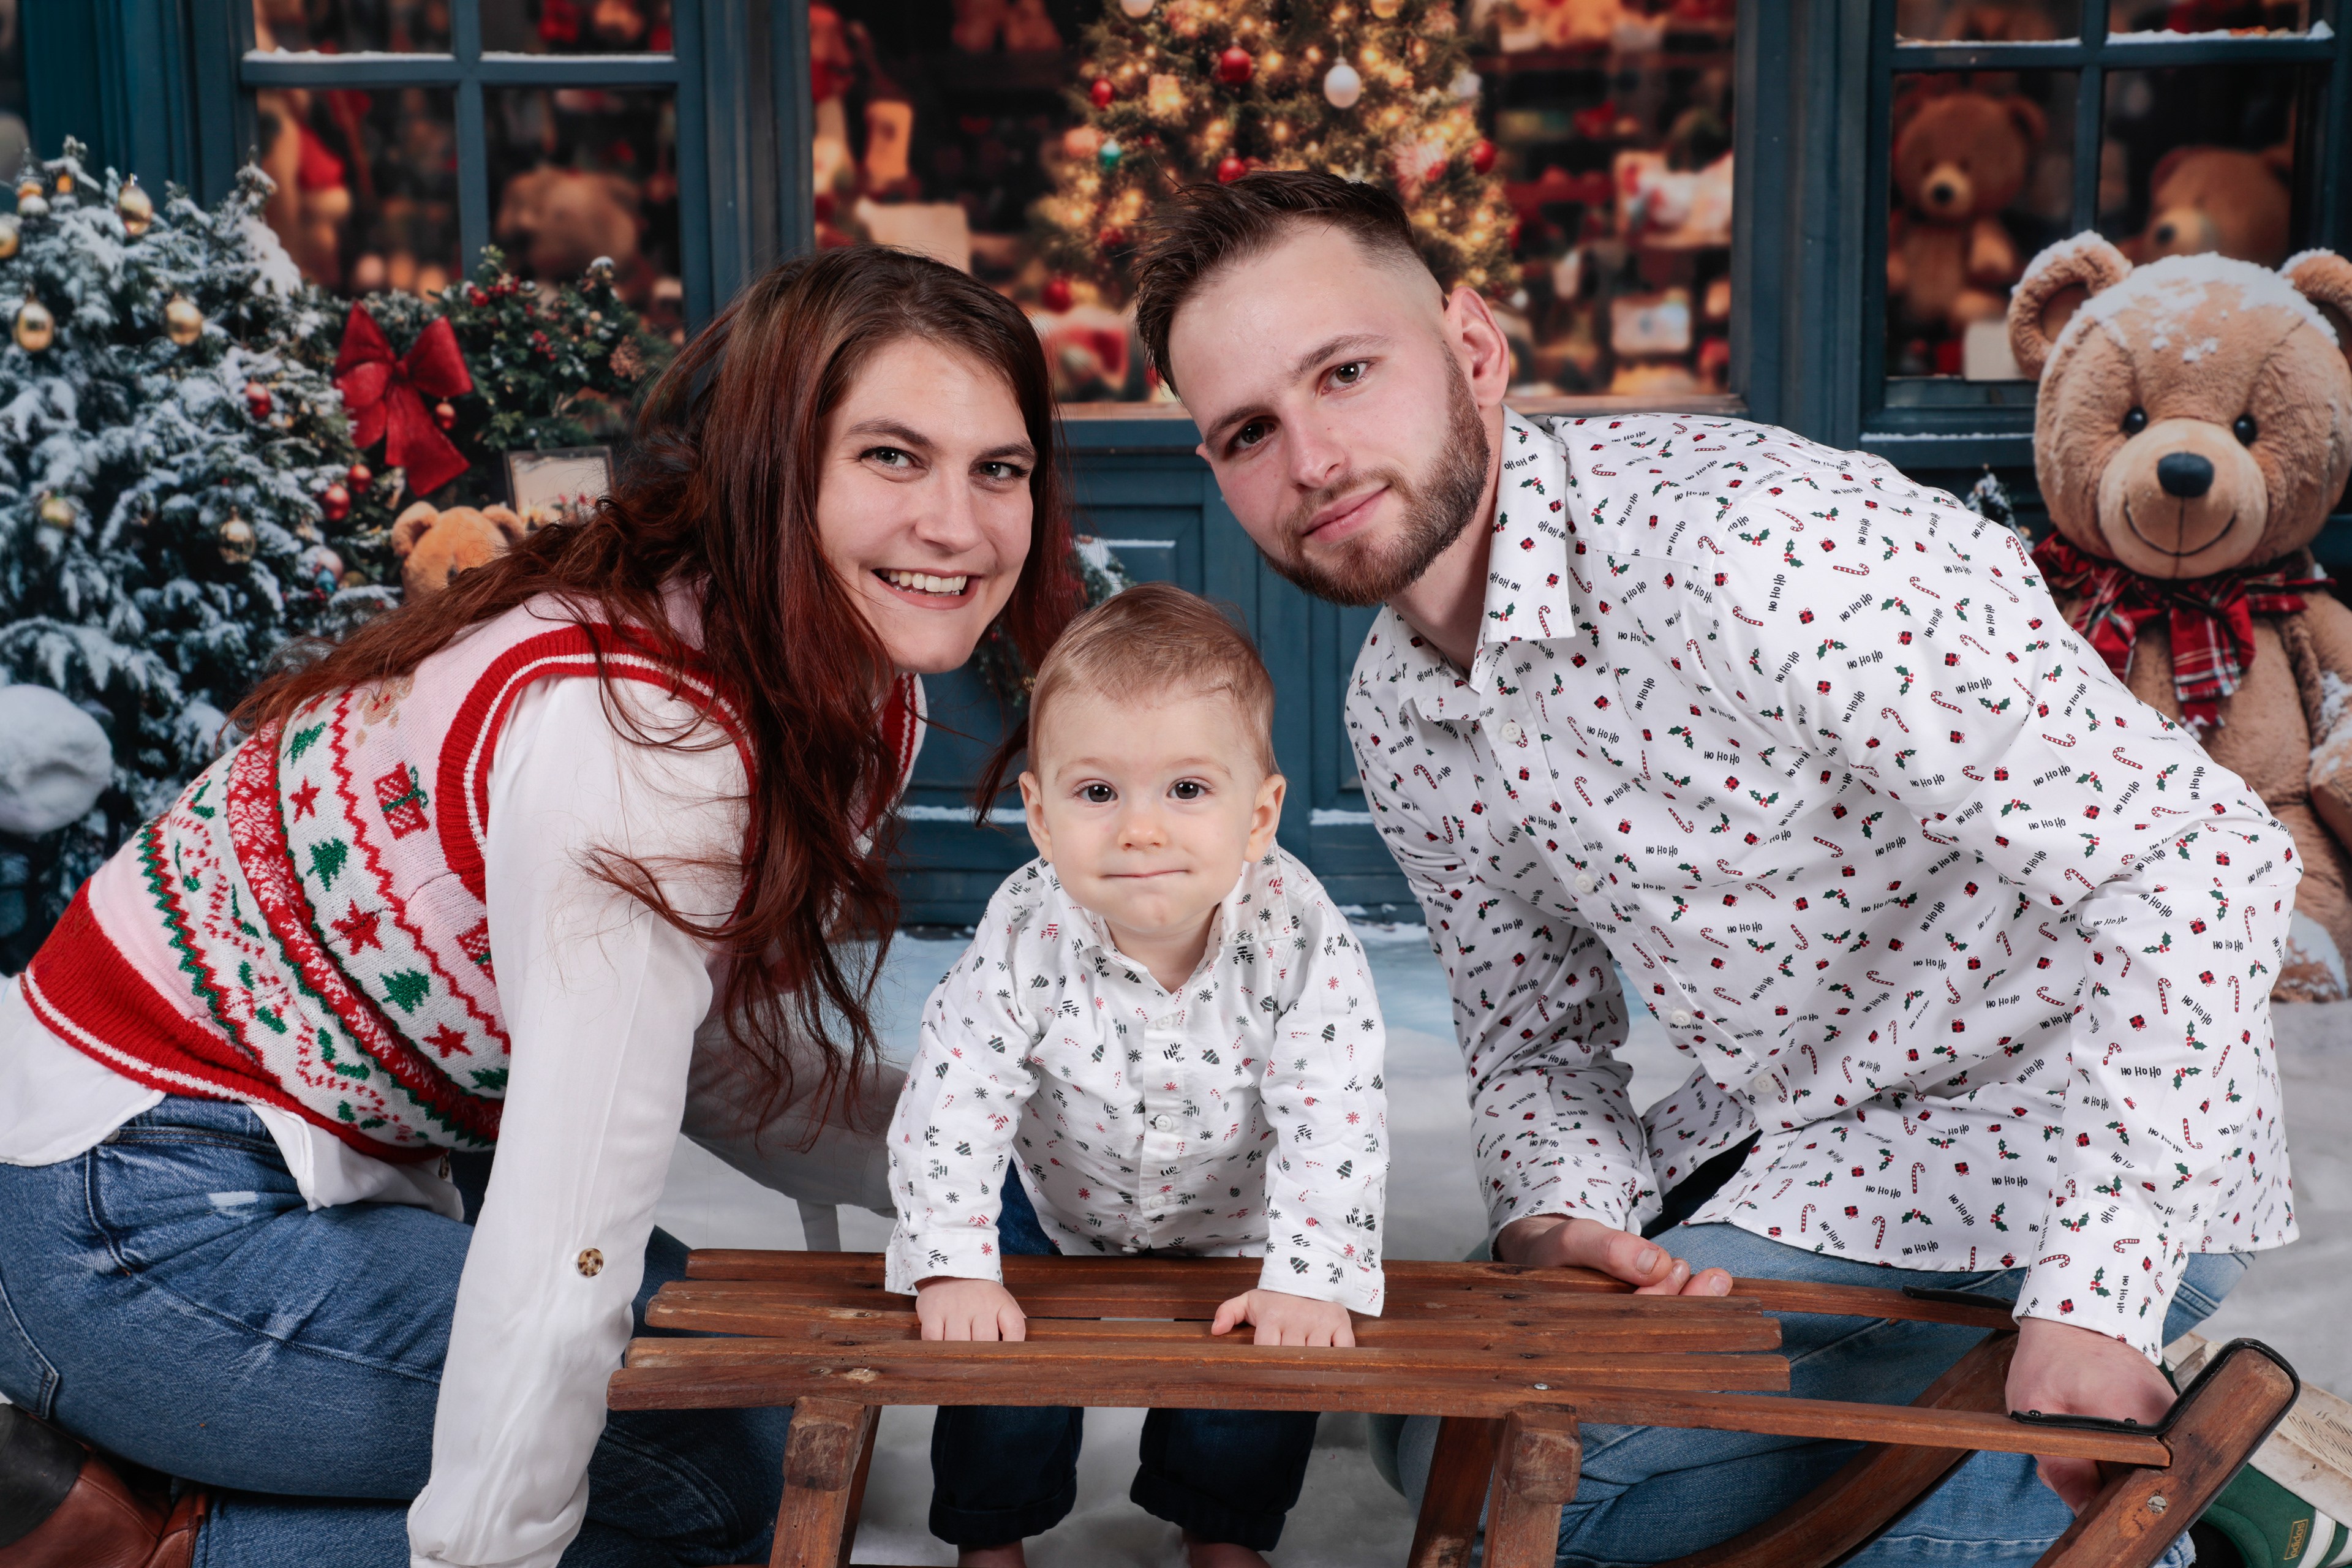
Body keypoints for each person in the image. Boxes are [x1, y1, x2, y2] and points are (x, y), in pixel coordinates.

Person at [1127, 170, 2300, 1566]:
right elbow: (1534, 1033)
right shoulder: (1398, 703)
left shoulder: (1760, 550)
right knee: (1435, 1426)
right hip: (1805, 1133)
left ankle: (2177, 1507)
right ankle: (2107, 1474)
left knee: (1537, 1495)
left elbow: (2202, 855)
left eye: (1347, 371)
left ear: (1476, 346)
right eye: (1251, 429)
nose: (1311, 458)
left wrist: (2095, 1295)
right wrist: (1565, 1221)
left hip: (2058, 1133)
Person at [0, 244, 1081, 1568]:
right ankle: (150, 1537)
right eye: (892, 457)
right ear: (769, 468)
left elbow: (701, 1049)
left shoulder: (850, 684)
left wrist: (1006, 1142)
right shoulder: (645, 746)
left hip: (331, 1161)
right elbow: (575, 1199)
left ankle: (180, 1457)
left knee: (733, 1390)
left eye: (1000, 467)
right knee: (695, 1473)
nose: (959, 528)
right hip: (124, 1209)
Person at [883, 582, 1389, 1568]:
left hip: (1236, 1209)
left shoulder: (1300, 932)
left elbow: (1335, 1109)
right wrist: (950, 1256)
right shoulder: (1026, 927)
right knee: (996, 1381)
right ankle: (990, 1538)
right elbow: (957, 1087)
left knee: (1254, 1386)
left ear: (1260, 812)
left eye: (1188, 791)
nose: (1140, 830)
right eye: (1097, 792)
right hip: (1053, 1196)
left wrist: (1311, 1275)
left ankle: (1222, 1531)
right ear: (1039, 811)